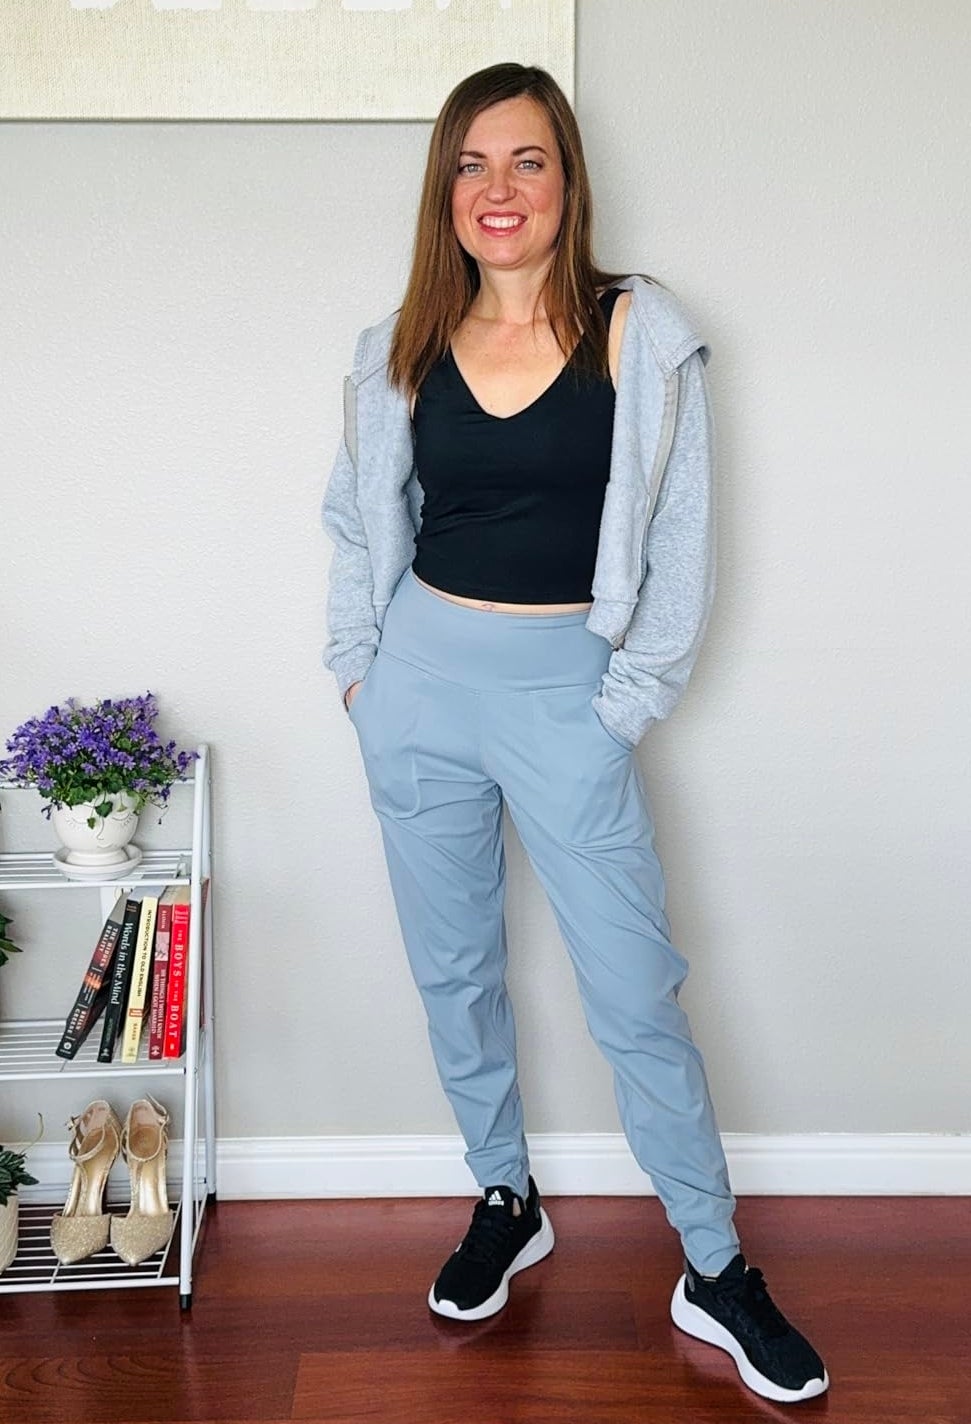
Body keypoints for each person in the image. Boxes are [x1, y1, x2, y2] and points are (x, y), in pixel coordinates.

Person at [321, 63, 828, 1406]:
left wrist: (624, 708)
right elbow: (352, 527)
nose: (500, 190)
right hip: (419, 687)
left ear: (567, 181)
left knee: (632, 993)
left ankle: (715, 1268)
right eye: (474, 164)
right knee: (456, 973)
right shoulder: (397, 345)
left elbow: (681, 540)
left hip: (566, 698)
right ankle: (507, 1195)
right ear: (445, 188)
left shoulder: (638, 331)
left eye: (528, 161)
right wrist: (362, 678)